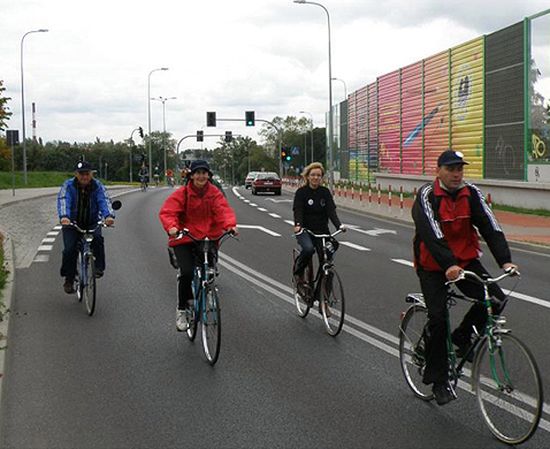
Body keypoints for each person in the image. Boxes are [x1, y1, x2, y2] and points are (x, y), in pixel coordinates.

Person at [412, 149, 518, 406]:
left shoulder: (471, 193)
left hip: (466, 260)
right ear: (438, 171)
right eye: (451, 169)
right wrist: (448, 264)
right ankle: (438, 380)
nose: (457, 174)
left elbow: (490, 226)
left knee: (495, 300)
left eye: (460, 169)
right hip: (434, 265)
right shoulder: (427, 195)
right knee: (438, 317)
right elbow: (431, 233)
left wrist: (505, 260)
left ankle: (461, 337)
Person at [159, 160, 237, 331]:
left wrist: (230, 225)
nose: (201, 176)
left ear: (209, 175)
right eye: (198, 173)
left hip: (208, 236)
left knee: (210, 269)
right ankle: (182, 309)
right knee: (186, 272)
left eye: (204, 173)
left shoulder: (214, 193)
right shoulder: (183, 194)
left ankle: (208, 290)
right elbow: (168, 211)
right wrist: (172, 227)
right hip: (185, 237)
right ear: (192, 175)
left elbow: (223, 210)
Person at [57, 161, 116, 294]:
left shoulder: (97, 186)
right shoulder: (69, 185)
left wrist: (108, 216)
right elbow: (63, 200)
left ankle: (99, 268)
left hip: (91, 221)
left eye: (87, 174)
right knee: (69, 249)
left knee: (97, 239)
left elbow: (104, 200)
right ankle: (69, 278)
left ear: (91, 174)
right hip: (72, 223)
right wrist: (64, 216)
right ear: (76, 174)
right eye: (81, 174)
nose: (84, 177)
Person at [292, 162, 346, 299]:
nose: (316, 178)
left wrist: (339, 225)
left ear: (322, 177)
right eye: (313, 175)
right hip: (306, 231)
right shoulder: (301, 192)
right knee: (309, 249)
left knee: (328, 261)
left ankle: (323, 298)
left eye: (318, 175)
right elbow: (298, 210)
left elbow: (331, 212)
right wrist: (298, 224)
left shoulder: (325, 192)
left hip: (322, 232)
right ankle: (298, 273)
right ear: (307, 176)